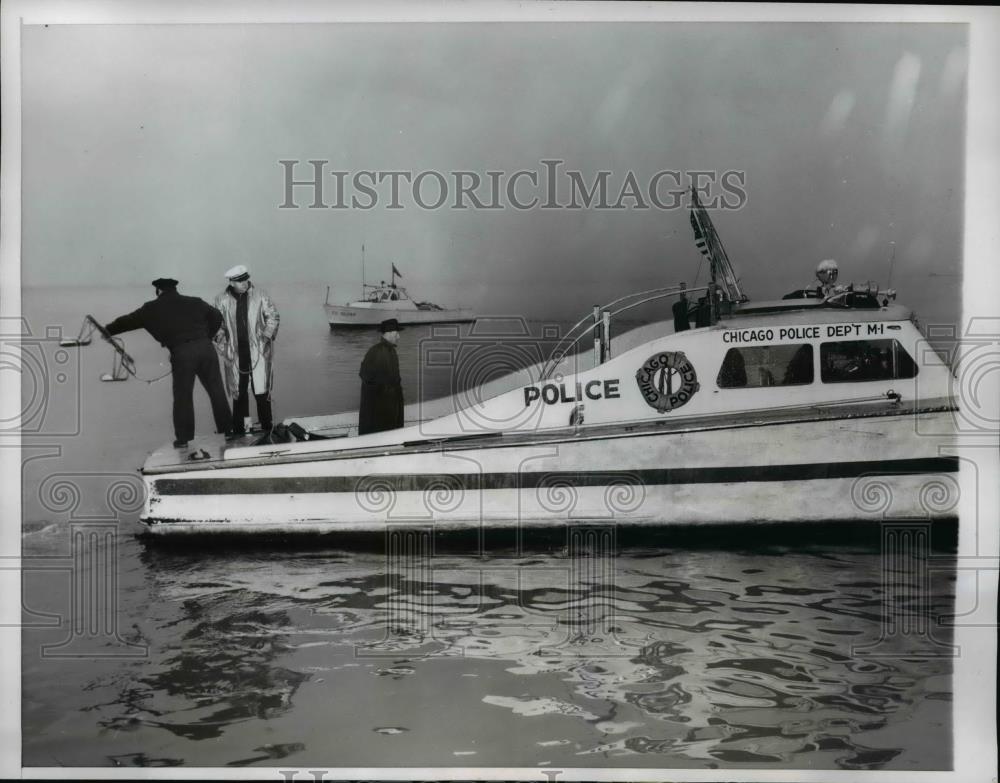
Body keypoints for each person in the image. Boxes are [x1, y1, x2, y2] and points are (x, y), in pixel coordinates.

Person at [105, 278, 232, 448]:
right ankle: (229, 431)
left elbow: (127, 321)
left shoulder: (151, 308)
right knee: (216, 391)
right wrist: (207, 336)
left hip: (182, 353)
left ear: (158, 291)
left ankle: (184, 439)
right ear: (175, 289)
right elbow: (217, 315)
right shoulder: (195, 301)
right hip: (206, 349)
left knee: (183, 397)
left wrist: (108, 330)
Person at [213, 265, 280, 435]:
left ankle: (267, 428)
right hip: (236, 354)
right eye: (240, 281)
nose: (244, 283)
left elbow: (273, 316)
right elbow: (215, 325)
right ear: (232, 282)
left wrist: (266, 336)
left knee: (262, 392)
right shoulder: (221, 299)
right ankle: (243, 430)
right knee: (239, 393)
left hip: (258, 352)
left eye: (246, 279)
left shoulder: (260, 295)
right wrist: (223, 347)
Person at [358, 318, 404, 435]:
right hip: (381, 412)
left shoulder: (391, 351)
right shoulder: (376, 352)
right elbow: (366, 377)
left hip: (390, 408)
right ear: (388, 333)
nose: (399, 337)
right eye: (396, 333)